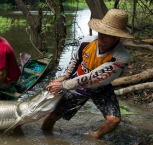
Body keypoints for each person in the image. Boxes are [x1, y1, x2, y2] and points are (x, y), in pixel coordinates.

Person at [41, 9, 135, 138]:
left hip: (101, 88)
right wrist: (63, 77)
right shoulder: (87, 41)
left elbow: (92, 77)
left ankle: (94, 136)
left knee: (114, 120)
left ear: (117, 36)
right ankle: (45, 137)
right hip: (76, 86)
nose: (101, 36)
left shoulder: (121, 57)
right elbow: (75, 60)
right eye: (100, 32)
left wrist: (63, 85)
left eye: (107, 34)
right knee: (52, 116)